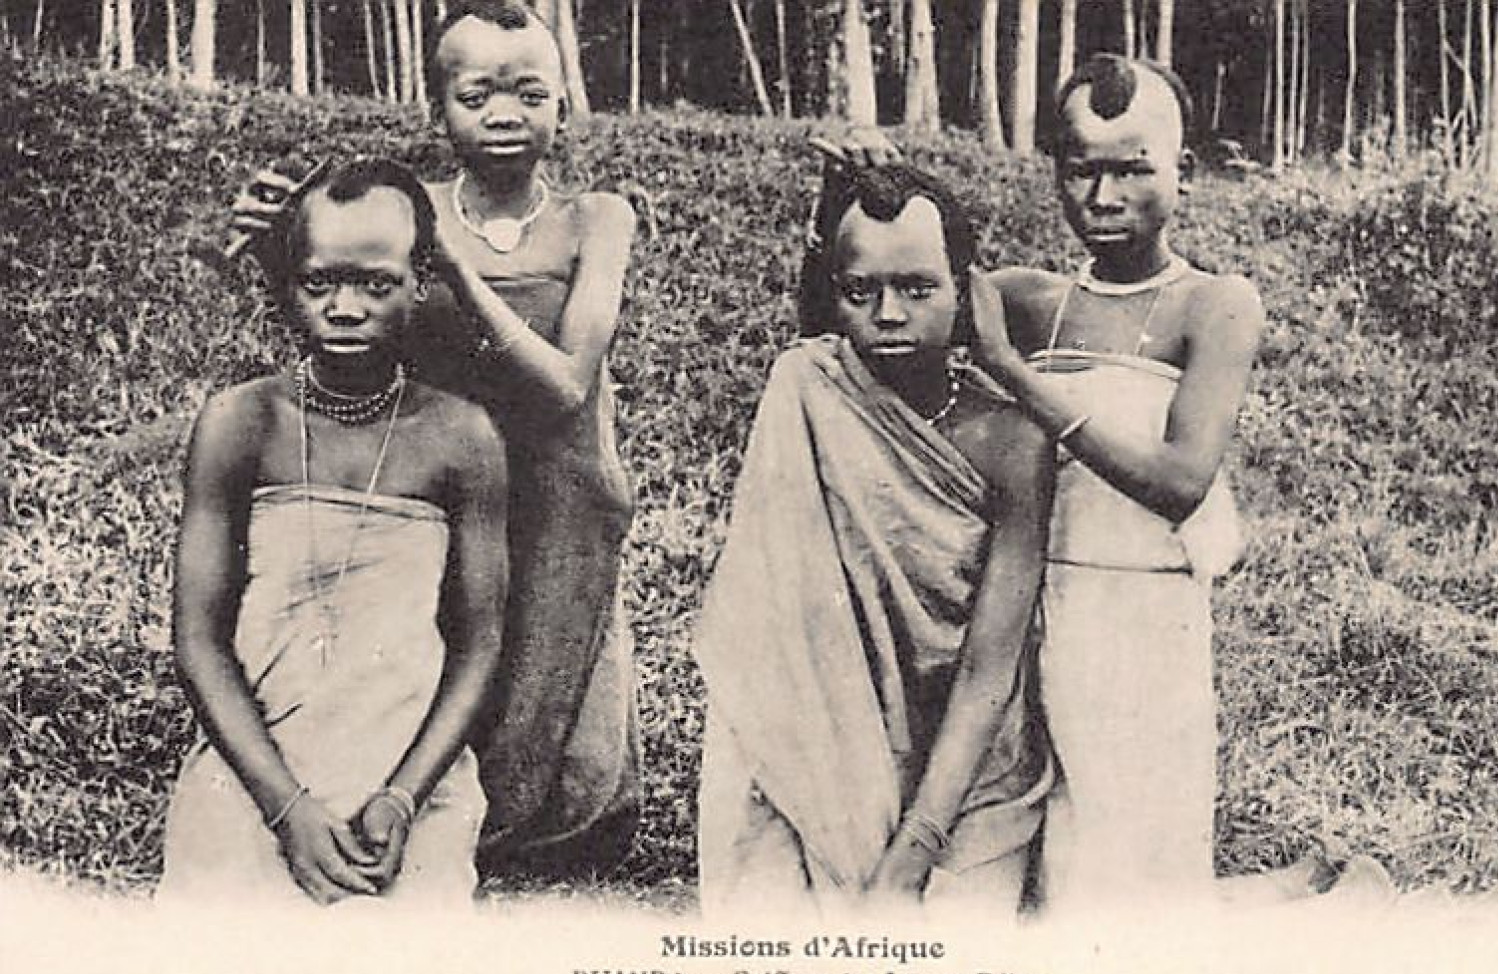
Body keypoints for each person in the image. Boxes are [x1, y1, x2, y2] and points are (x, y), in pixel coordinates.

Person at [229, 0, 640, 878]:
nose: (502, 113)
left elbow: (569, 384)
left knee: (553, 666)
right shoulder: (408, 210)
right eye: (474, 92)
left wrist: (452, 265)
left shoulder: (596, 218)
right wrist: (276, 245)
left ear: (564, 105)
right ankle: (428, 807)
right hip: (446, 475)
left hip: (562, 482)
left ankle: (549, 836)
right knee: (445, 641)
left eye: (529, 92)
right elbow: (345, 314)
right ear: (435, 108)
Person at [693, 162, 1056, 917]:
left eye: (919, 288)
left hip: (968, 775)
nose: (889, 313)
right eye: (861, 291)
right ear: (833, 294)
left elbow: (993, 663)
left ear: (966, 293)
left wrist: (915, 845)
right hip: (820, 748)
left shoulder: (1011, 439)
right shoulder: (806, 387)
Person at [163, 158, 509, 908]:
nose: (345, 306)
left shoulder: (462, 438)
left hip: (406, 774)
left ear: (422, 282)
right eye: (320, 282)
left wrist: (404, 798)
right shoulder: (241, 423)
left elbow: (480, 643)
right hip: (256, 769)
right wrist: (286, 809)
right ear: (289, 285)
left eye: (376, 284)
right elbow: (197, 638)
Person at [966, 54, 1264, 907]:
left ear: (1184, 173)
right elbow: (869, 301)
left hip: (1138, 628)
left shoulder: (1215, 304)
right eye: (1079, 168)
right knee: (1006, 869)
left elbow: (1180, 481)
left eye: (1132, 168)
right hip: (1019, 614)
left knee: (1117, 885)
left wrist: (1015, 377)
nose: (1102, 197)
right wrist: (854, 198)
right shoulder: (1029, 299)